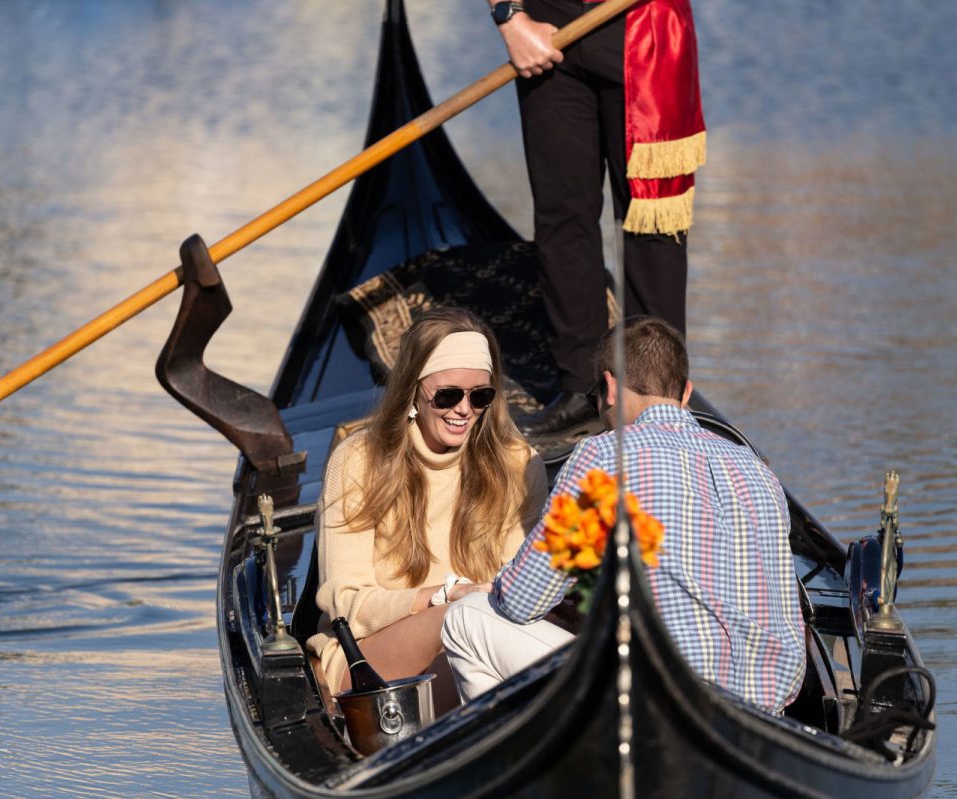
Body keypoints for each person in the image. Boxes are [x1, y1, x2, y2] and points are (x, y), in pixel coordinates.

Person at [442, 316, 806, 714]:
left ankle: (520, 767)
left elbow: (521, 602)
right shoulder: (758, 470)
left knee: (466, 619)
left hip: (663, 703)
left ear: (610, 387)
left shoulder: (603, 457)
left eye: (594, 394)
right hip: (767, 711)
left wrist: (492, 588)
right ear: (685, 393)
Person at [306, 308, 549, 710]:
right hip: (366, 659)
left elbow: (518, 589)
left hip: (491, 645)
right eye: (448, 395)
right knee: (467, 618)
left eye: (480, 396)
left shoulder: (519, 464)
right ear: (413, 389)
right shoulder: (357, 460)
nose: (464, 410)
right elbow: (345, 603)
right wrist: (444, 597)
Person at [489, 0, 706, 436]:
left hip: (644, 24)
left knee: (652, 224)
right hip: (543, 26)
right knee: (562, 216)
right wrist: (509, 17)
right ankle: (582, 390)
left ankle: (657, 395)